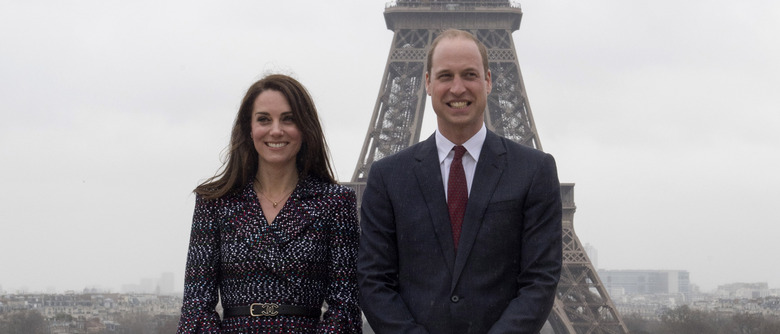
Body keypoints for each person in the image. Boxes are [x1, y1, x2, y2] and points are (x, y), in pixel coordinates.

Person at [357, 29, 562, 334]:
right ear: (427, 82)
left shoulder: (534, 171)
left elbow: (540, 280)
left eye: (469, 74)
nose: (457, 88)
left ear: (488, 80)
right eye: (445, 76)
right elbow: (373, 280)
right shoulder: (387, 177)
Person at [177, 74, 362, 333]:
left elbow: (345, 306)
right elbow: (196, 306)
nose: (276, 130)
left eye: (288, 119)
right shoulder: (214, 203)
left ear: (305, 128)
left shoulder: (335, 203)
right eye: (264, 119)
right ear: (249, 129)